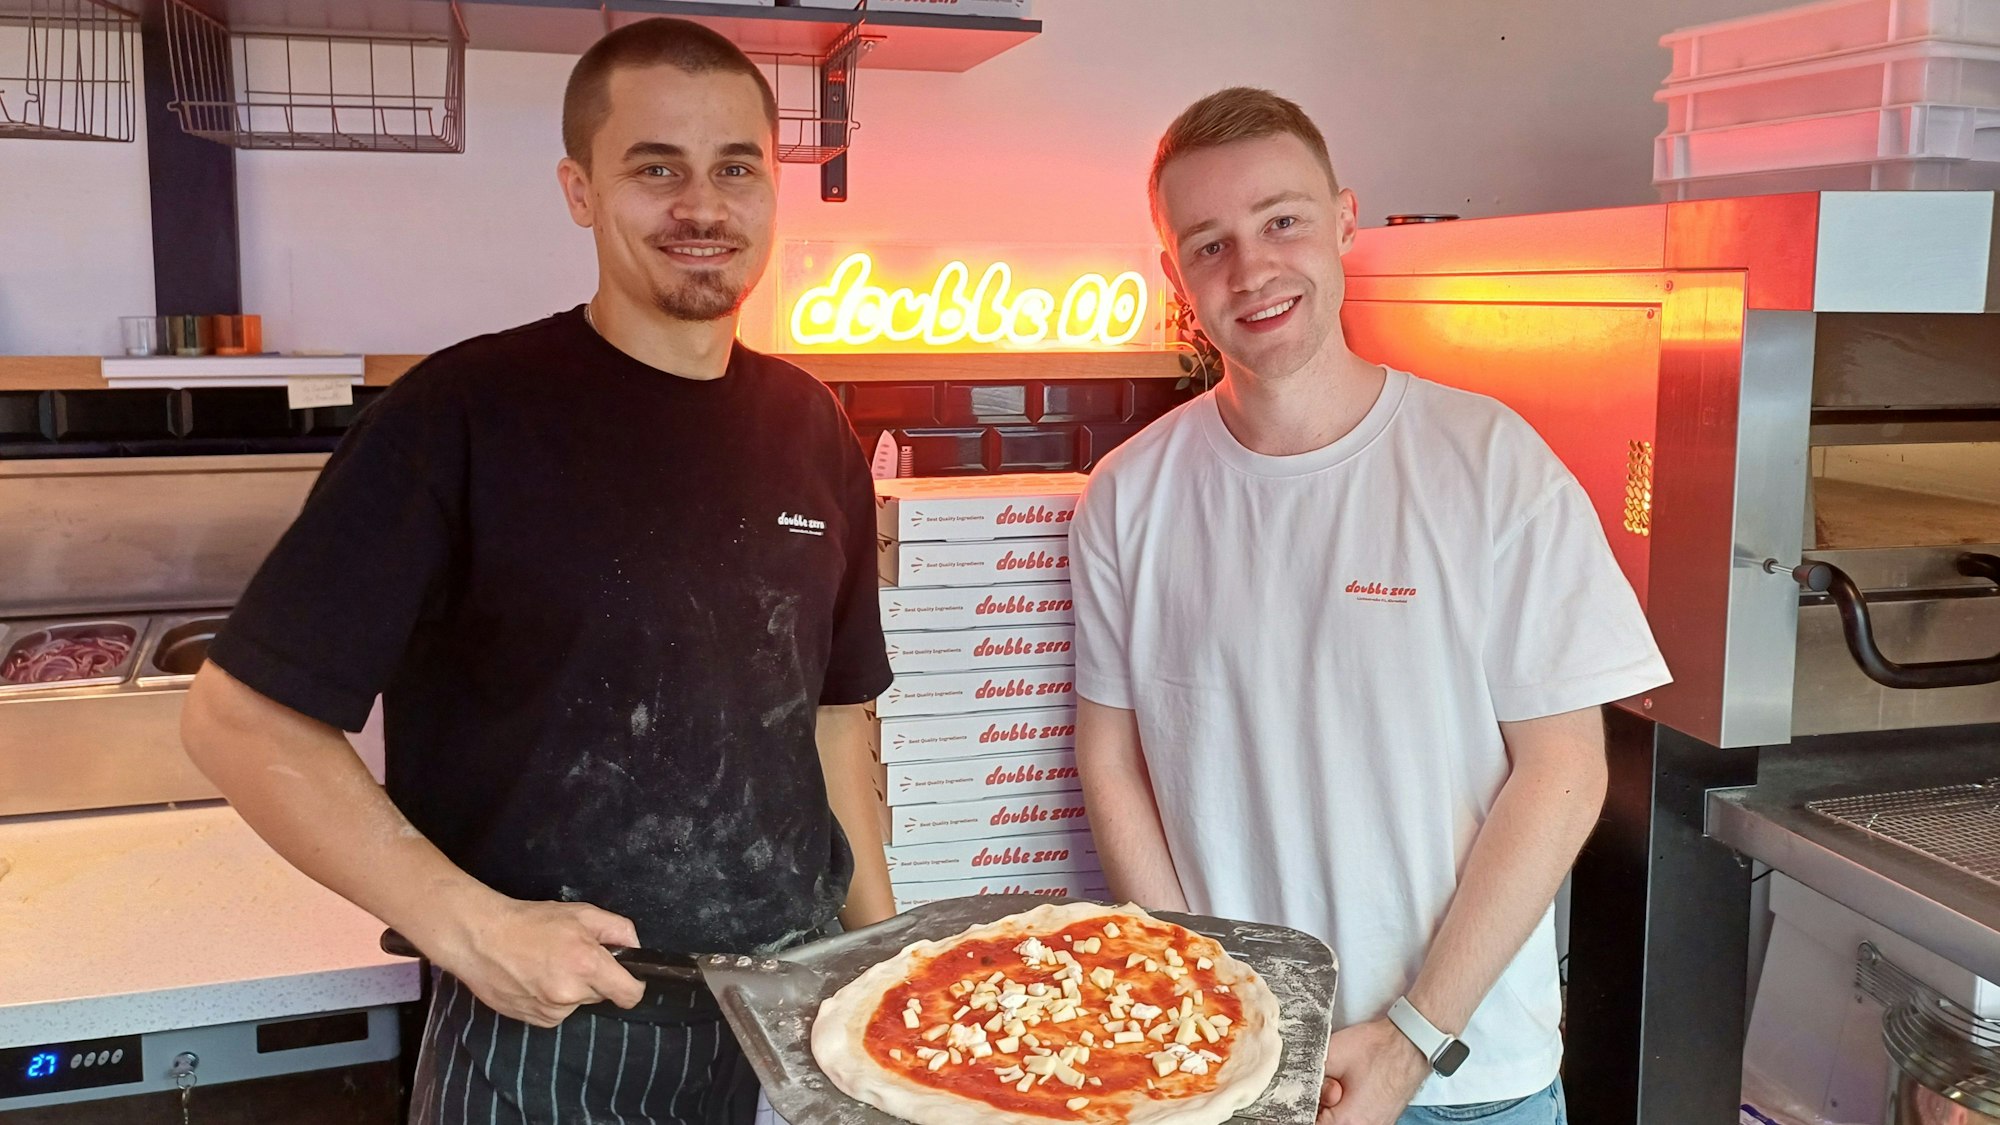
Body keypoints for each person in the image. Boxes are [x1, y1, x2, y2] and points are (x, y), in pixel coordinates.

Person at [180, 18, 894, 1124]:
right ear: (579, 189)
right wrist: (473, 929)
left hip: (786, 1010)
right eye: (656, 168)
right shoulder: (459, 417)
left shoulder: (811, 425)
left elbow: (831, 718)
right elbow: (239, 723)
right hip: (549, 1029)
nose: (701, 207)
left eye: (734, 169)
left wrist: (877, 956)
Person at [1069, 87, 1671, 1125]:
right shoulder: (1127, 494)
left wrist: (1411, 1037)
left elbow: (1565, 769)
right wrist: (1214, 1020)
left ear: (1345, 218)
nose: (1251, 270)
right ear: (1174, 276)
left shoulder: (1488, 463)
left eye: (1281, 221)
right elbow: (1112, 757)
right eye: (1208, 245)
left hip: (1468, 1079)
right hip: (1240, 1078)